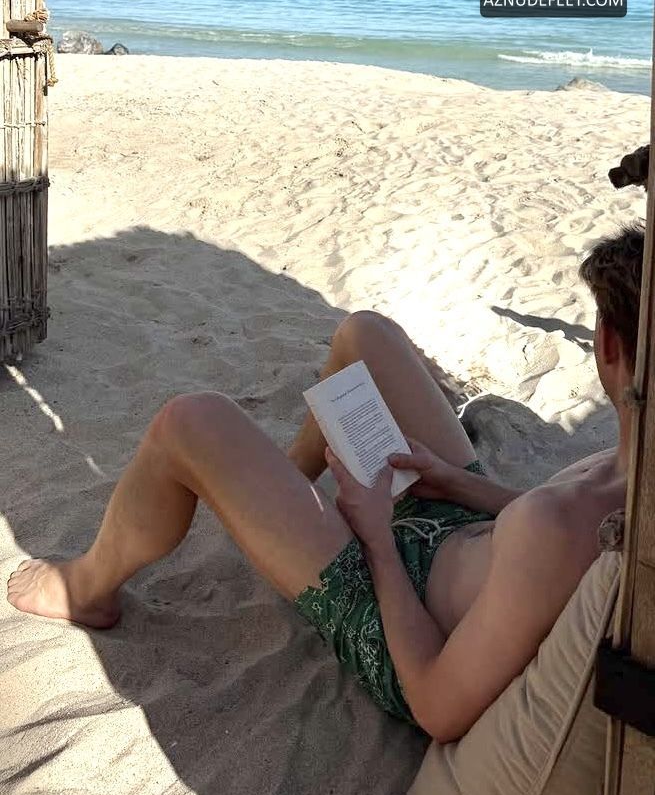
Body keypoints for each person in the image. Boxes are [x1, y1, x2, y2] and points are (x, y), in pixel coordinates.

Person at [6, 226, 642, 742]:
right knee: (365, 336)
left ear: (608, 344)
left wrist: (377, 540)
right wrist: (459, 483)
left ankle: (87, 589)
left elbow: (436, 707)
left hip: (403, 617)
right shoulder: (633, 469)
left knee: (188, 422)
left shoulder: (566, 520)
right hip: (465, 528)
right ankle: (281, 492)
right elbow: (552, 539)